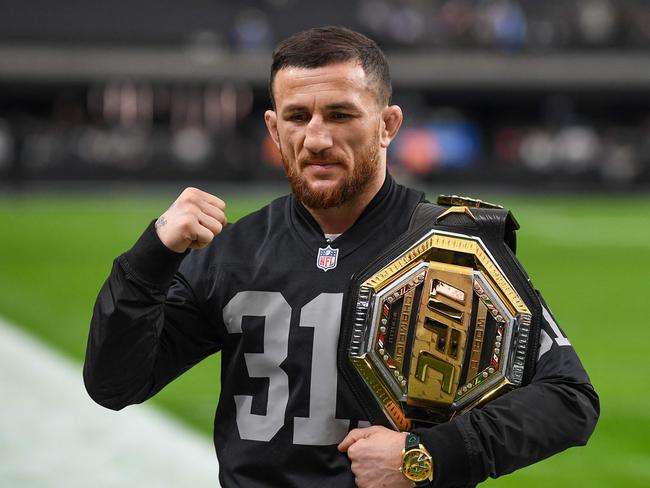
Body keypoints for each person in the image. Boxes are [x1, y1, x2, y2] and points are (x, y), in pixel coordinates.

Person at [84, 26, 599, 488]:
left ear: (387, 124)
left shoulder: (459, 249)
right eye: (297, 117)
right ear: (272, 128)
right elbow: (115, 384)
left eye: (340, 114)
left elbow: (569, 398)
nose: (317, 138)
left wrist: (429, 457)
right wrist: (151, 256)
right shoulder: (232, 251)